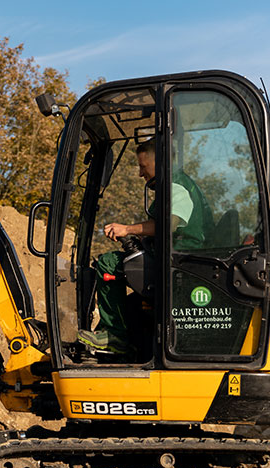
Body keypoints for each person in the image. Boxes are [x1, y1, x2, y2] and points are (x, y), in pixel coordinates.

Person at [78, 139, 203, 355]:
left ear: (162, 162)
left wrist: (127, 229)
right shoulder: (173, 185)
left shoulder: (177, 187)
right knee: (132, 303)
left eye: (143, 166)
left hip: (180, 262)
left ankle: (115, 336)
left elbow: (168, 225)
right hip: (176, 257)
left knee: (109, 263)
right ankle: (124, 335)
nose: (139, 173)